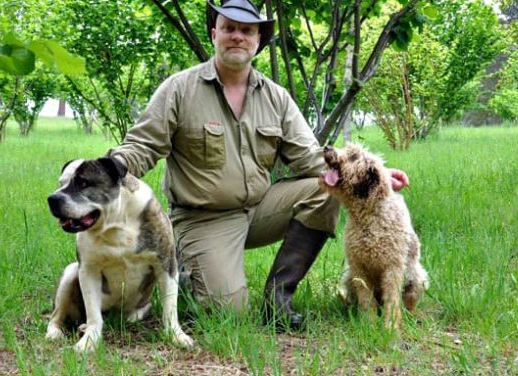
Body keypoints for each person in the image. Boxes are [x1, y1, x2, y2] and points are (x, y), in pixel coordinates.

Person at [107, 0, 409, 329]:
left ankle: (278, 298)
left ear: (258, 41)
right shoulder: (179, 89)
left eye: (247, 30)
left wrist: (374, 176)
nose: (237, 36)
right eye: (229, 28)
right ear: (214, 34)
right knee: (229, 315)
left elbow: (310, 157)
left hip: (260, 208)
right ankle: (187, 271)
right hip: (204, 218)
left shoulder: (276, 97)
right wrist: (108, 170)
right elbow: (143, 144)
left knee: (325, 191)